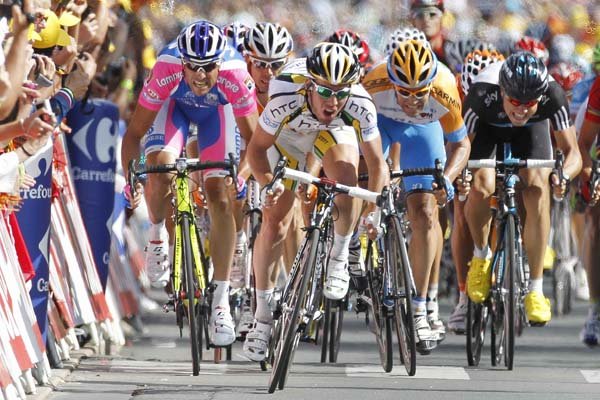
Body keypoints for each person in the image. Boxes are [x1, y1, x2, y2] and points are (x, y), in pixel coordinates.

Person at [242, 42, 388, 362]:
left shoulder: (359, 103)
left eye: (341, 92)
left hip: (333, 136)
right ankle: (262, 318)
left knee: (346, 180)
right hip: (289, 140)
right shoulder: (284, 94)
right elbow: (255, 150)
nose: (333, 101)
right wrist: (268, 184)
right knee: (275, 220)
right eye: (325, 90)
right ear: (310, 84)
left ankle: (337, 256)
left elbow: (377, 165)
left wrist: (374, 210)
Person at [120, 20, 259, 347]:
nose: (200, 75)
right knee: (162, 169)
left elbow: (255, 143)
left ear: (220, 63)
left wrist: (240, 176)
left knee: (220, 195)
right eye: (193, 67)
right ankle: (157, 235)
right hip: (174, 110)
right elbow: (133, 136)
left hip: (217, 115)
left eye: (209, 67)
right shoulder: (165, 69)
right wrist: (135, 174)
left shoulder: (236, 75)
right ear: (181, 62)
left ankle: (221, 301)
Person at [362, 39, 470, 351]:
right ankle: (354, 248)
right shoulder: (374, 83)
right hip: (380, 126)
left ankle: (420, 307)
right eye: (404, 92)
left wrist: (447, 179)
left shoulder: (444, 89)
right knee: (362, 175)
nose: (411, 100)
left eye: (419, 93)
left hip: (423, 132)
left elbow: (461, 145)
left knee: (424, 212)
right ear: (391, 82)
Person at [463, 51, 581, 326]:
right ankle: (481, 257)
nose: (521, 108)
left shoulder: (553, 95)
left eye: (529, 103)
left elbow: (572, 152)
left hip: (532, 132)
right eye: (515, 100)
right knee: (482, 186)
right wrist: (462, 176)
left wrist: (563, 176)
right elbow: (460, 147)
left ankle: (536, 289)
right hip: (487, 129)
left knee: (538, 188)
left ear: (541, 96)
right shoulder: (482, 94)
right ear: (502, 90)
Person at [576, 75, 600, 346]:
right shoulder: (598, 88)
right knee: (595, 221)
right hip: (595, 144)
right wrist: (587, 178)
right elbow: (583, 143)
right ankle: (595, 309)